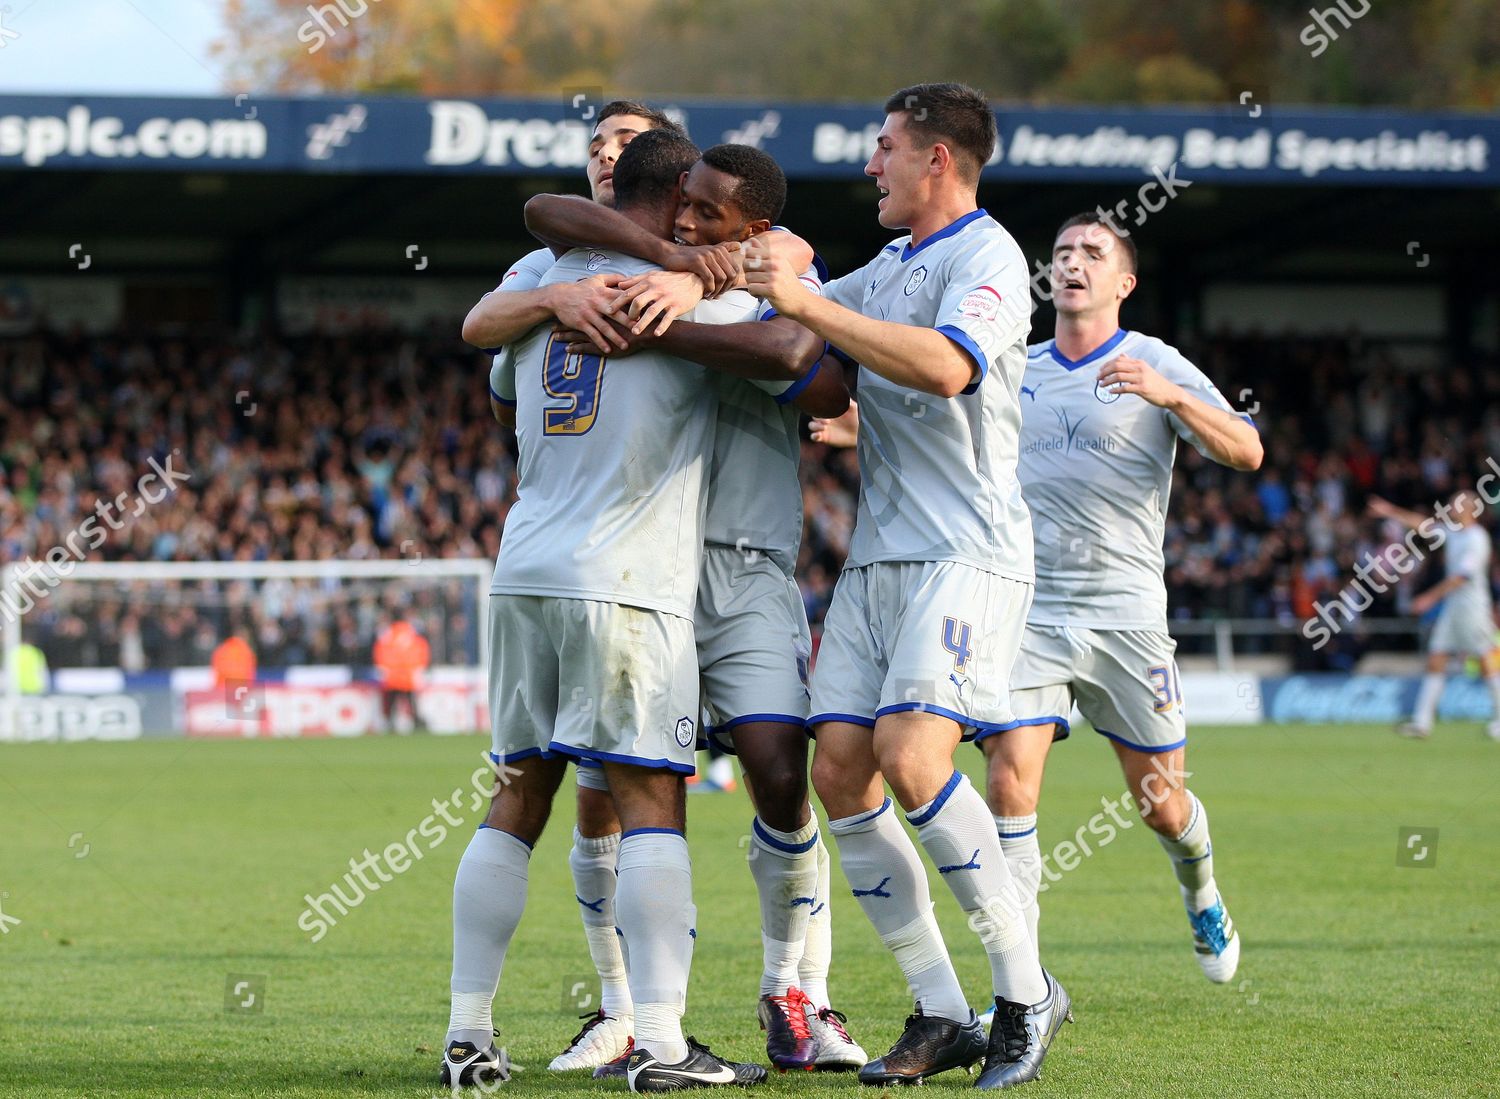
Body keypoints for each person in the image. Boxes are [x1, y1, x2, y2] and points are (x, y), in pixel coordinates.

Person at [442, 128, 790, 1093]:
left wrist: (553, 303)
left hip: (524, 566)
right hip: (626, 580)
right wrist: (691, 296)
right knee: (651, 801)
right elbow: (794, 346)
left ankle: (469, 1034)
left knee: (519, 791)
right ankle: (665, 1047)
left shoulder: (547, 278)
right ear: (682, 191)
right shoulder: (694, 284)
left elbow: (496, 337)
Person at [743, 82, 1063, 1089]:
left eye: (884, 147)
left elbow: (946, 367)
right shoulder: (891, 266)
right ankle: (940, 1006)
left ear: (937, 160)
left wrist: (802, 297)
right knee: (838, 769)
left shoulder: (990, 258)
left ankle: (1025, 990)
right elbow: (832, 320)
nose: (870, 165)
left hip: (967, 550)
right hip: (879, 556)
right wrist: (768, 258)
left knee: (913, 752)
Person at [524, 142, 864, 1072]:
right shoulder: (593, 267)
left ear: (742, 218)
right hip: (636, 565)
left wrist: (663, 318)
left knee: (779, 773)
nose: (684, 221)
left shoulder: (768, 269)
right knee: (622, 794)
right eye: (678, 204)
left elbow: (823, 374)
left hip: (741, 562)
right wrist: (666, 274)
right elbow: (546, 216)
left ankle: (793, 992)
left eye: (703, 211)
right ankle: (626, 1013)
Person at [1369, 490, 1500, 739]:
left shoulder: (1477, 538)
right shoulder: (1454, 534)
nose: (1451, 508)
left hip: (1473, 608)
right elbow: (1423, 525)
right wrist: (1390, 511)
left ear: (1471, 509)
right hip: (1454, 609)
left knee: (1486, 663)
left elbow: (1463, 577)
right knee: (1436, 659)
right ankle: (1422, 722)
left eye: (1456, 505)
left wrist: (1430, 598)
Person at [372, 617, 430, 734]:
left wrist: (384, 669)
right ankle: (415, 722)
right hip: (407, 677)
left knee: (392, 702)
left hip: (393, 677)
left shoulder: (387, 635)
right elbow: (421, 650)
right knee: (410, 701)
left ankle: (390, 723)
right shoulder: (411, 634)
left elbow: (380, 652)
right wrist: (420, 668)